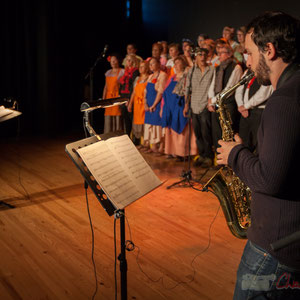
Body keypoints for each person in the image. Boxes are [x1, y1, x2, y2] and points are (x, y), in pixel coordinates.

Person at [216, 11, 300, 300]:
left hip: (275, 247)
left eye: (250, 53)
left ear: (270, 50)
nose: (248, 62)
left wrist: (235, 154)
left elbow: (269, 179)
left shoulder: (285, 101)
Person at [208, 43, 243, 153]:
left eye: (221, 53)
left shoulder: (236, 67)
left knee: (228, 133)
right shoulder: (218, 68)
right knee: (217, 133)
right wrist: (210, 101)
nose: (219, 56)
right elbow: (212, 85)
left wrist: (213, 100)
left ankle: (229, 160)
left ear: (229, 54)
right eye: (218, 53)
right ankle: (219, 159)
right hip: (216, 104)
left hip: (228, 104)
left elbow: (229, 89)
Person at [162, 55, 198, 160]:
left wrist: (186, 105)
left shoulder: (186, 76)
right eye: (175, 63)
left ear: (183, 64)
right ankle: (173, 152)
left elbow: (188, 91)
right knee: (172, 131)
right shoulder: (171, 78)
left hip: (180, 105)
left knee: (183, 130)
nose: (176, 65)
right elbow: (165, 93)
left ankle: (184, 153)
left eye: (178, 63)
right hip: (170, 107)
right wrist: (163, 108)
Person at [184, 48, 215, 167]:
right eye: (199, 55)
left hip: (205, 105)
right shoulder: (192, 71)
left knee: (206, 132)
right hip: (194, 104)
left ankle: (208, 156)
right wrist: (186, 105)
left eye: (204, 54)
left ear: (207, 56)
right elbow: (187, 88)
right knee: (197, 132)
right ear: (195, 57)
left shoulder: (212, 70)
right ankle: (202, 155)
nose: (202, 57)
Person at [235, 67, 273, 153]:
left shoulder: (265, 72)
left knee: (258, 143)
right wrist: (240, 105)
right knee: (243, 141)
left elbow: (264, 93)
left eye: (250, 55)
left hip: (258, 111)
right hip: (244, 111)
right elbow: (239, 89)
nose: (248, 62)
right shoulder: (247, 72)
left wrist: (246, 106)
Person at [143, 57, 168, 154]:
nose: (151, 66)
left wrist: (154, 105)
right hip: (148, 104)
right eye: (150, 64)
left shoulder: (163, 75)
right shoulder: (150, 76)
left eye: (153, 63)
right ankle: (153, 146)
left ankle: (161, 147)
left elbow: (161, 92)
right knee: (150, 125)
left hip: (157, 104)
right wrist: (145, 103)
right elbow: (145, 91)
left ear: (158, 64)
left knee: (158, 125)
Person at [127, 60, 151, 146]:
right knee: (136, 121)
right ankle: (138, 141)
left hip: (144, 103)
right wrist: (130, 103)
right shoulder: (137, 79)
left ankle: (145, 142)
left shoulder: (149, 78)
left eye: (143, 66)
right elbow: (134, 92)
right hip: (137, 104)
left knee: (144, 122)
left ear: (147, 68)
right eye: (140, 67)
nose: (140, 68)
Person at [102, 54, 125, 133]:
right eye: (111, 61)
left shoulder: (122, 71)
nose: (113, 62)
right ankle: (108, 134)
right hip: (109, 96)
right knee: (108, 115)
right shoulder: (108, 72)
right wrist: (103, 98)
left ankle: (117, 133)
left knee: (117, 114)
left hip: (116, 96)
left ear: (118, 61)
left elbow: (123, 85)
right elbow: (106, 86)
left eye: (114, 60)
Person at [119, 54, 140, 136]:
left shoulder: (135, 71)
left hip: (130, 97)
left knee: (131, 118)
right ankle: (127, 135)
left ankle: (134, 137)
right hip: (123, 96)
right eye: (127, 60)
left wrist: (128, 99)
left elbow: (133, 87)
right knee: (125, 119)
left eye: (130, 60)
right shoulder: (126, 71)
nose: (128, 62)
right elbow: (122, 85)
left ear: (134, 61)